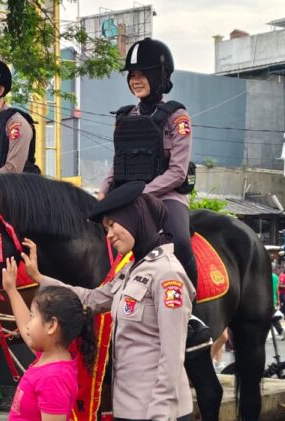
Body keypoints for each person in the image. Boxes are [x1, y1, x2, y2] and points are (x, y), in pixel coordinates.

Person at [22, 181, 194, 421]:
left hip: (155, 414)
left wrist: (160, 419)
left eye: (112, 225)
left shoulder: (167, 274)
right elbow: (92, 299)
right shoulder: (131, 270)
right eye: (106, 229)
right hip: (128, 409)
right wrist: (40, 278)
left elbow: (172, 352)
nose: (109, 235)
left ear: (134, 218)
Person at [97, 38, 197, 288]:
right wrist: (103, 191)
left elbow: (177, 172)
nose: (136, 80)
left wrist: (140, 194)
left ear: (159, 76)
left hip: (166, 197)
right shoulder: (125, 117)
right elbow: (118, 162)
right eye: (132, 75)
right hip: (129, 196)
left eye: (143, 74)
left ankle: (190, 301)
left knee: (180, 241)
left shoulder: (177, 117)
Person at [1, 259, 96, 421]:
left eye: (33, 316)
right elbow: (26, 330)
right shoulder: (49, 357)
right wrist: (11, 290)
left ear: (51, 326)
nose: (28, 325)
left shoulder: (53, 378)